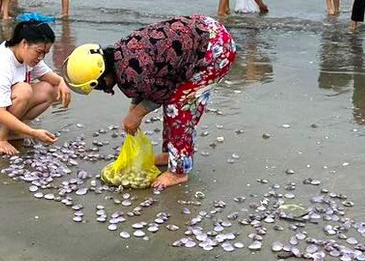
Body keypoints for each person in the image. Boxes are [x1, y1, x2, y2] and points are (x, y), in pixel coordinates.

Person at [64, 14, 236, 191]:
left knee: (178, 108)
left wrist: (136, 114)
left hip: (216, 51)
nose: (104, 90)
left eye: (99, 86)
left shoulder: (131, 75)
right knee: (174, 103)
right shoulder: (118, 53)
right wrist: (133, 110)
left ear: (103, 76)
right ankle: (170, 154)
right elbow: (148, 83)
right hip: (206, 28)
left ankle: (179, 171)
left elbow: (162, 93)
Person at [0, 18, 70, 155]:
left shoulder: (26, 56)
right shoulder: (1, 63)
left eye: (45, 53)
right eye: (39, 52)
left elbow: (51, 78)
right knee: (24, 90)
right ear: (24, 43)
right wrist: (33, 132)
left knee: (50, 89)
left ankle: (12, 132)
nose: (41, 57)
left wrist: (62, 82)